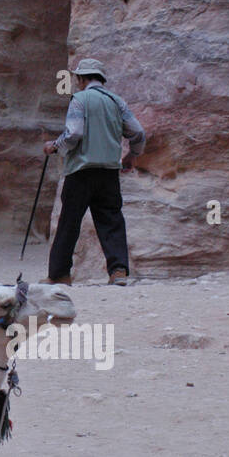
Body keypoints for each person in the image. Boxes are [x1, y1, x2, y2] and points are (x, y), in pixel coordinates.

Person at [43, 58, 146, 287]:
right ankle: (118, 270)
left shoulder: (79, 100)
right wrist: (131, 156)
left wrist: (55, 146)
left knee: (69, 222)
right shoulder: (116, 101)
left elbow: (74, 133)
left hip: (80, 171)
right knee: (111, 220)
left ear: (82, 78)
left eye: (77, 79)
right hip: (109, 172)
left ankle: (59, 274)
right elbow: (137, 132)